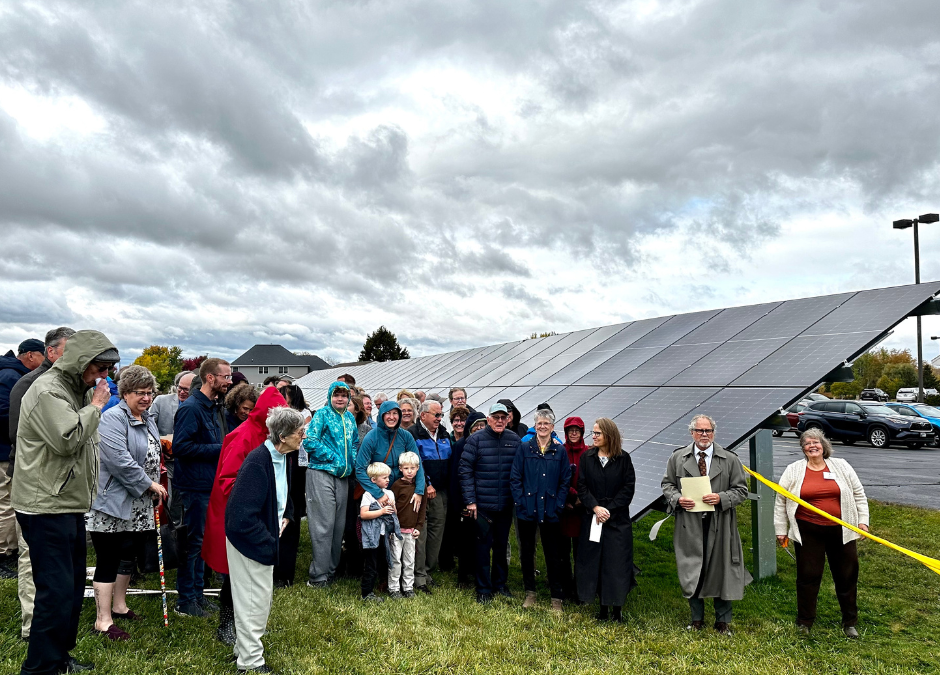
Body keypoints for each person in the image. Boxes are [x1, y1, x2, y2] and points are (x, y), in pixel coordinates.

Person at [12, 329, 118, 675]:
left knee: (70, 589)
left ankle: (57, 658)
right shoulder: (47, 390)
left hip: (67, 503)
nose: (102, 377)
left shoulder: (75, 388)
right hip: (45, 506)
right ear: (79, 361)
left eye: (106, 370)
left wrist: (90, 401)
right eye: (98, 368)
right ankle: (40, 667)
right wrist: (97, 407)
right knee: (54, 592)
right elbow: (68, 439)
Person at [86, 365, 168, 641]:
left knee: (128, 554)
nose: (146, 398)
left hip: (139, 502)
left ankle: (120, 607)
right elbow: (119, 460)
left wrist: (154, 484)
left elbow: (152, 453)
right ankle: (103, 620)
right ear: (124, 393)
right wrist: (149, 484)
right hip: (112, 502)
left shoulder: (148, 418)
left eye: (150, 393)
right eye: (139, 393)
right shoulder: (112, 418)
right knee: (108, 558)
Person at [5, 326, 74, 641]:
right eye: (69, 350)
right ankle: (33, 627)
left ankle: (52, 626)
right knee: (32, 556)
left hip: (59, 489)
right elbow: (27, 441)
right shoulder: (32, 385)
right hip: (36, 487)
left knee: (55, 561)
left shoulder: (64, 383)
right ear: (51, 351)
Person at [202, 386, 286, 646]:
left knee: (248, 576)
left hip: (254, 515)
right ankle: (227, 625)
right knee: (233, 575)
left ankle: (247, 624)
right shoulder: (245, 435)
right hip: (236, 517)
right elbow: (228, 480)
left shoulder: (268, 435)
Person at [226, 406, 303, 673]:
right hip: (250, 541)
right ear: (282, 436)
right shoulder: (258, 461)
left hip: (262, 538)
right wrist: (267, 541)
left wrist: (286, 516)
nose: (302, 436)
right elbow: (239, 516)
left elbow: (284, 495)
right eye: (299, 432)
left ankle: (242, 650)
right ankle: (250, 663)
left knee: (257, 600)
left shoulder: (284, 457)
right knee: (253, 603)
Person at [774, 428, 870, 638]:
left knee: (846, 576)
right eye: (807, 443)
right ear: (803, 448)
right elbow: (781, 500)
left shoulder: (842, 466)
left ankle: (849, 621)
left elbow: (859, 495)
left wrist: (863, 522)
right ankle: (805, 621)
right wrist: (781, 530)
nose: (812, 446)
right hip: (808, 531)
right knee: (808, 576)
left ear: (823, 445)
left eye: (815, 442)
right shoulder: (793, 470)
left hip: (842, 531)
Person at [661, 414, 751, 635]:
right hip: (689, 524)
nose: (704, 435)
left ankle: (722, 621)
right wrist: (677, 499)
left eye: (708, 431)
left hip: (721, 523)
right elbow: (667, 485)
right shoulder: (677, 458)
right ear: (691, 432)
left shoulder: (730, 459)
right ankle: (696, 619)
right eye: (700, 431)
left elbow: (741, 491)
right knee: (693, 570)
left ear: (714, 433)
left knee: (723, 571)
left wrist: (721, 498)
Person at [173, 357, 232, 617]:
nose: (229, 381)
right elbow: (181, 448)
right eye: (225, 377)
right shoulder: (191, 408)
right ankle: (186, 601)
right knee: (192, 544)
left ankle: (198, 594)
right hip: (194, 487)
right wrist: (221, 450)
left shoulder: (214, 407)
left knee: (202, 543)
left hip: (209, 485)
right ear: (210, 378)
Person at [459, 403, 522, 603]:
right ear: (488, 419)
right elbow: (465, 471)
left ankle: (500, 585)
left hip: (505, 505)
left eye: (503, 417)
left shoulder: (515, 440)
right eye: (496, 417)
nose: (500, 421)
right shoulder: (475, 440)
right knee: (483, 548)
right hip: (482, 507)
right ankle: (484, 588)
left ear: (508, 419)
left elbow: (520, 471)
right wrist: (470, 501)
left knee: (501, 547)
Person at [510, 409, 571, 612]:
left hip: (551, 510)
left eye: (546, 423)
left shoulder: (559, 451)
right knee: (527, 552)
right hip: (527, 509)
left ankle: (556, 598)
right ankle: (530, 593)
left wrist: (559, 505)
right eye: (539, 423)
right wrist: (520, 502)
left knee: (553, 554)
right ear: (534, 426)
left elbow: (565, 481)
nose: (542, 426)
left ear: (552, 427)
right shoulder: (525, 448)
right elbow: (515, 478)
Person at [576, 418, 636, 621]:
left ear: (609, 436)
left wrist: (607, 510)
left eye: (597, 433)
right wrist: (595, 507)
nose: (593, 437)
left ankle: (617, 609)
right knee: (596, 562)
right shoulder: (587, 457)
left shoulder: (623, 459)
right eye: (593, 433)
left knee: (616, 564)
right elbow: (582, 487)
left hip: (617, 520)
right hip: (593, 518)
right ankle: (602, 608)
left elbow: (628, 489)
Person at [303, 381, 358, 587]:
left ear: (349, 398)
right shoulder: (322, 415)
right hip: (321, 473)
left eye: (344, 395)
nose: (340, 399)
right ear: (330, 396)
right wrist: (334, 459)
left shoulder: (350, 418)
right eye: (336, 395)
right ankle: (318, 577)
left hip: (343, 477)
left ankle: (331, 572)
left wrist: (350, 461)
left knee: (338, 527)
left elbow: (354, 443)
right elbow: (309, 441)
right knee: (323, 525)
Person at [0, 338, 44, 579]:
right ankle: (3, 553)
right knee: (5, 503)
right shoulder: (10, 376)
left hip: (9, 448)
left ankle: (11, 549)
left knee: (9, 502)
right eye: (41, 356)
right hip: (4, 450)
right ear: (29, 355)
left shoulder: (12, 374)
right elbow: (6, 413)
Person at [409, 400, 453, 594]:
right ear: (423, 415)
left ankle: (428, 570)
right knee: (421, 532)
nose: (439, 418)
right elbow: (415, 462)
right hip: (422, 491)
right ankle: (418, 575)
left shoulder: (443, 434)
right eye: (436, 415)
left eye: (441, 415)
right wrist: (426, 484)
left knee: (437, 532)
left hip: (441, 492)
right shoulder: (413, 434)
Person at [274, 384, 311, 587]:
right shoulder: (278, 425)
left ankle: (285, 572)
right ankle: (277, 569)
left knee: (291, 519)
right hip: (284, 474)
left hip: (295, 475)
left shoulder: (301, 419)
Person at [150, 370, 194, 527]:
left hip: (188, 463)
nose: (181, 392)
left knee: (182, 503)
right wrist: (161, 448)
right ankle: (164, 534)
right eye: (179, 388)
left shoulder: (199, 407)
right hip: (166, 462)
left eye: (186, 390)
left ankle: (179, 538)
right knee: (165, 500)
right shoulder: (161, 402)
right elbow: (148, 426)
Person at [449, 412, 486, 586]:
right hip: (464, 502)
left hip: (484, 502)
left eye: (482, 425)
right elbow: (456, 477)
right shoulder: (460, 446)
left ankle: (476, 571)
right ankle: (463, 576)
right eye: (476, 425)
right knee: (465, 538)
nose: (479, 428)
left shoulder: (488, 445)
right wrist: (459, 503)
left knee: (480, 537)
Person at [359, 462, 402, 602]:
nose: (388, 480)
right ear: (373, 480)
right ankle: (366, 593)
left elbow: (394, 514)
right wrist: (382, 511)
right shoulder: (368, 495)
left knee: (384, 561)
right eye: (384, 477)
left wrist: (392, 507)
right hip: (372, 536)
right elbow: (364, 514)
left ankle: (384, 586)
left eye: (388, 477)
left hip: (385, 535)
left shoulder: (389, 493)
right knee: (371, 564)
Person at [388, 452, 426, 598]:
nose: (409, 471)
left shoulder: (420, 486)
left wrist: (418, 527)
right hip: (397, 531)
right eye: (406, 468)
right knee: (395, 560)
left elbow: (422, 509)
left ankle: (408, 587)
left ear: (418, 468)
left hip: (411, 531)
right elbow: (391, 507)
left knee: (409, 561)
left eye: (413, 468)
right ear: (400, 469)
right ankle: (394, 588)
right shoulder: (397, 486)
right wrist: (392, 527)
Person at [560, 416, 589, 600]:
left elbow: (591, 479)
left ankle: (581, 588)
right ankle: (565, 586)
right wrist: (568, 496)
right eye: (570, 430)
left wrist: (581, 499)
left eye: (577, 430)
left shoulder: (588, 453)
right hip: (564, 508)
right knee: (563, 552)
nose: (573, 433)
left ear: (582, 432)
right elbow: (557, 477)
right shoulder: (560, 452)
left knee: (581, 552)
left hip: (582, 509)